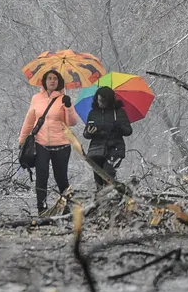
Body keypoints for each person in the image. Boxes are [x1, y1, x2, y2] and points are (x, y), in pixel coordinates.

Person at [19, 70, 80, 214]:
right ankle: (42, 208)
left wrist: (69, 107)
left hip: (62, 144)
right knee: (42, 175)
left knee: (61, 177)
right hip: (41, 144)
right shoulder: (36, 98)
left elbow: (72, 122)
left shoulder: (64, 98)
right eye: (49, 78)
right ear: (45, 82)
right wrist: (22, 139)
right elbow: (29, 120)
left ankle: (67, 207)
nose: (52, 81)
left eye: (55, 79)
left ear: (59, 82)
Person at [83, 86, 132, 189]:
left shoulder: (118, 112)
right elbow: (86, 134)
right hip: (96, 149)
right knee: (98, 178)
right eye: (99, 100)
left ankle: (110, 194)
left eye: (103, 101)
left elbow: (128, 131)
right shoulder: (93, 113)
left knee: (108, 173)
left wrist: (119, 126)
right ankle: (101, 196)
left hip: (115, 148)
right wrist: (89, 132)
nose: (100, 103)